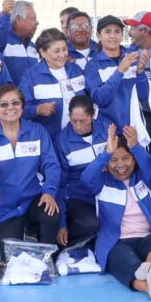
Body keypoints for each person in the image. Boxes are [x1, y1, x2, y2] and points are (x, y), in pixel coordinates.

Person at [82, 123, 151, 301]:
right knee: (120, 259)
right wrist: (106, 153)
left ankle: (149, 265)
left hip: (146, 240)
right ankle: (146, 286)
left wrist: (135, 147)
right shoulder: (101, 183)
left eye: (126, 158)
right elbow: (86, 178)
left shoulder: (144, 179)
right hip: (118, 242)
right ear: (106, 165)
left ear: (134, 160)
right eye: (114, 160)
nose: (120, 165)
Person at [0, 84, 61, 244]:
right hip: (6, 207)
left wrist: (49, 191)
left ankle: (48, 260)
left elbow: (51, 165)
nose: (10, 108)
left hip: (35, 198)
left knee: (51, 214)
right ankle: (27, 234)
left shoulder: (38, 131)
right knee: (12, 257)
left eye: (15, 103)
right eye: (4, 104)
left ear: (22, 106)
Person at [86, 15, 151, 147]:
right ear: (99, 35)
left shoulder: (132, 58)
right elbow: (100, 99)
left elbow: (143, 96)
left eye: (117, 31)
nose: (113, 36)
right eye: (107, 31)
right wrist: (119, 71)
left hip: (134, 129)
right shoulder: (93, 65)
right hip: (107, 132)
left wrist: (140, 73)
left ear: (122, 35)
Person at [55, 95, 109, 246]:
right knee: (90, 224)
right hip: (79, 198)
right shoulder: (62, 141)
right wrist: (62, 223)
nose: (78, 126)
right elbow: (60, 183)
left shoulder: (107, 129)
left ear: (92, 115)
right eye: (74, 121)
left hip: (108, 195)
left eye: (83, 121)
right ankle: (70, 246)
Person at [18, 28, 86, 138]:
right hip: (49, 140)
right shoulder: (30, 77)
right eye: (56, 51)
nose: (62, 54)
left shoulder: (75, 70)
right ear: (42, 52)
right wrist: (37, 110)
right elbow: (19, 109)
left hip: (77, 138)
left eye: (64, 49)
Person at [123, 10, 151, 152]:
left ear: (144, 31)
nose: (129, 32)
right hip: (136, 114)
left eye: (133, 28)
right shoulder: (127, 53)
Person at [0, 0, 40, 82]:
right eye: (33, 18)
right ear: (18, 19)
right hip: (10, 95)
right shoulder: (1, 41)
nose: (37, 22)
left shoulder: (33, 46)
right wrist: (5, 15)